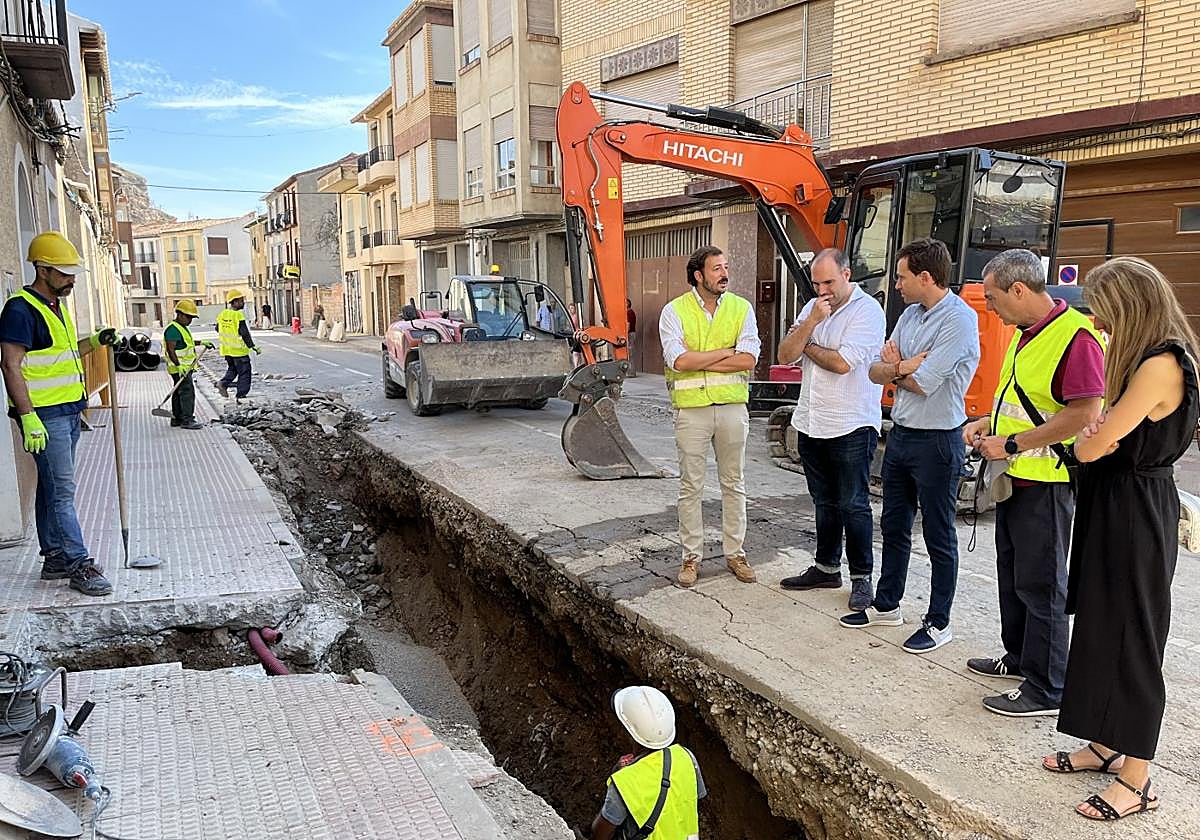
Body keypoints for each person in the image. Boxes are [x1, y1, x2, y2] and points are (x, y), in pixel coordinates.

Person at [1039, 257, 1196, 821]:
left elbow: (1090, 445)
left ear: (1129, 307)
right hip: (1115, 506)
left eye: (1105, 313)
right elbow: (1098, 436)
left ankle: (1138, 778)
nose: (1100, 325)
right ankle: (1106, 743)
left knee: (1133, 637)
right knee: (1103, 625)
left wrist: (1094, 435)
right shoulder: (1143, 361)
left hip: (1137, 511)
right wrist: (1096, 434)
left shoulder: (1161, 364)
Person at [963, 249, 1105, 717]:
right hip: (1017, 477)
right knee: (1014, 576)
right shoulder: (1027, 333)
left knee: (1042, 585)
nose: (990, 307)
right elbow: (1025, 399)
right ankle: (1020, 658)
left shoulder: (1075, 336)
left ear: (1019, 290)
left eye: (993, 297)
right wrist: (989, 421)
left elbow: (1084, 411)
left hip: (1046, 480)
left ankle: (1048, 687)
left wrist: (1014, 443)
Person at [841, 238, 980, 652]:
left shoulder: (959, 319)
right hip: (900, 435)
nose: (896, 285)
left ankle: (939, 622)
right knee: (894, 525)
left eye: (902, 277)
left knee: (939, 535)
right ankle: (887, 606)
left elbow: (925, 382)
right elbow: (874, 371)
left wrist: (898, 369)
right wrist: (904, 365)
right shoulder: (910, 315)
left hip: (938, 441)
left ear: (925, 277)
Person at [0, 231, 117, 596]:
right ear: (43, 269)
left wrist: (95, 342)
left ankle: (54, 557)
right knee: (62, 492)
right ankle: (79, 564)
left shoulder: (55, 307)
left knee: (51, 488)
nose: (71, 280)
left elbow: (59, 358)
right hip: (44, 416)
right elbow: (10, 364)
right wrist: (28, 415)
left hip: (68, 410)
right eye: (64, 273)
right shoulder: (20, 309)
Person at [778, 248, 885, 611]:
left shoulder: (868, 311)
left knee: (853, 502)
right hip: (812, 419)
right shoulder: (812, 309)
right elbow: (784, 354)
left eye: (829, 282)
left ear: (847, 274)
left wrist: (806, 344)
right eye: (817, 282)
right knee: (823, 500)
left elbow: (841, 363)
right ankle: (826, 567)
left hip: (851, 422)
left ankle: (861, 577)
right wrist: (809, 326)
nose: (823, 290)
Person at [660, 245, 759, 588]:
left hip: (732, 409)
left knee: (734, 483)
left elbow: (748, 359)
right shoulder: (674, 312)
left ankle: (735, 553)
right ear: (699, 275)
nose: (724, 274)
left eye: (726, 267)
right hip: (692, 412)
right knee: (691, 487)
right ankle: (691, 557)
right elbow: (679, 361)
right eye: (716, 269)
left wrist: (699, 357)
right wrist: (723, 353)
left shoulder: (741, 308)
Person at [588, 685, 705, 840]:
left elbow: (599, 835)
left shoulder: (625, 784)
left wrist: (621, 775)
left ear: (630, 733)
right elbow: (690, 799)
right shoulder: (687, 757)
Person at [162, 300, 214, 430]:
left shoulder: (181, 328)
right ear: (180, 315)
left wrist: (202, 342)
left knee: (178, 391)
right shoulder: (172, 330)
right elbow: (171, 349)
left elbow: (186, 343)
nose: (190, 320)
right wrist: (179, 366)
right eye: (189, 317)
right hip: (180, 368)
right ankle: (187, 420)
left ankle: (177, 419)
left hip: (184, 367)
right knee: (187, 392)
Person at [216, 289, 261, 401]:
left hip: (227, 350)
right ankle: (241, 395)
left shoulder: (222, 314)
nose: (243, 303)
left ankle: (223, 383)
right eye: (241, 301)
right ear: (234, 302)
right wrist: (252, 346)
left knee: (233, 370)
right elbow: (244, 333)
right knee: (245, 372)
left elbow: (217, 328)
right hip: (239, 351)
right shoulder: (238, 315)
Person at [626, 298, 638, 377]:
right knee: (630, 353)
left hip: (629, 334)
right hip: (631, 334)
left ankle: (631, 373)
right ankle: (630, 372)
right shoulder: (631, 312)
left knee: (630, 353)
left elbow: (628, 325)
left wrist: (625, 334)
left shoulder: (629, 313)